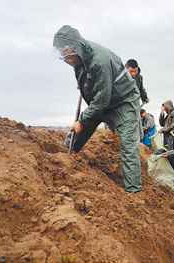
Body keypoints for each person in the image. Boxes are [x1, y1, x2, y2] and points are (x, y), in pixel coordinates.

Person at [53, 25, 142, 193]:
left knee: (128, 144)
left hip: (123, 102)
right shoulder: (78, 61)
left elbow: (101, 100)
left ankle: (133, 192)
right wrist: (83, 121)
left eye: (67, 54)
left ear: (74, 47)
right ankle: (64, 156)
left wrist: (82, 119)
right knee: (79, 131)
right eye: (63, 55)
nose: (66, 59)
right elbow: (94, 94)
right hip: (102, 101)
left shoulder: (99, 61)